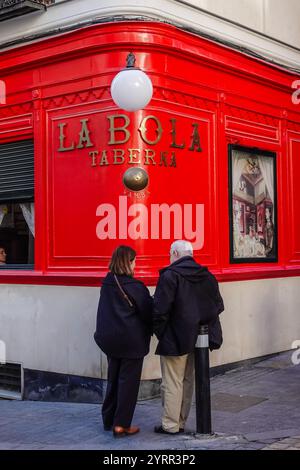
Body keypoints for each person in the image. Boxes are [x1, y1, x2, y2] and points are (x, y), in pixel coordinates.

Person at [153, 240, 224, 435]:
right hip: (199, 340)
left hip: (175, 338)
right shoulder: (208, 276)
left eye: (169, 254)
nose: (169, 258)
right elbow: (218, 306)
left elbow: (159, 311)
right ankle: (181, 421)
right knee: (187, 380)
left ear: (175, 253)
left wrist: (162, 333)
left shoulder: (170, 276)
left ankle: (170, 424)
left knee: (172, 382)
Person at [94, 245, 153, 438]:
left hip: (110, 341)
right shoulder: (135, 287)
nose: (136, 264)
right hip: (131, 342)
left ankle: (109, 419)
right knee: (128, 384)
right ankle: (121, 425)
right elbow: (148, 313)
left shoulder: (108, 283)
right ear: (128, 262)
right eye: (134, 260)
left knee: (114, 379)